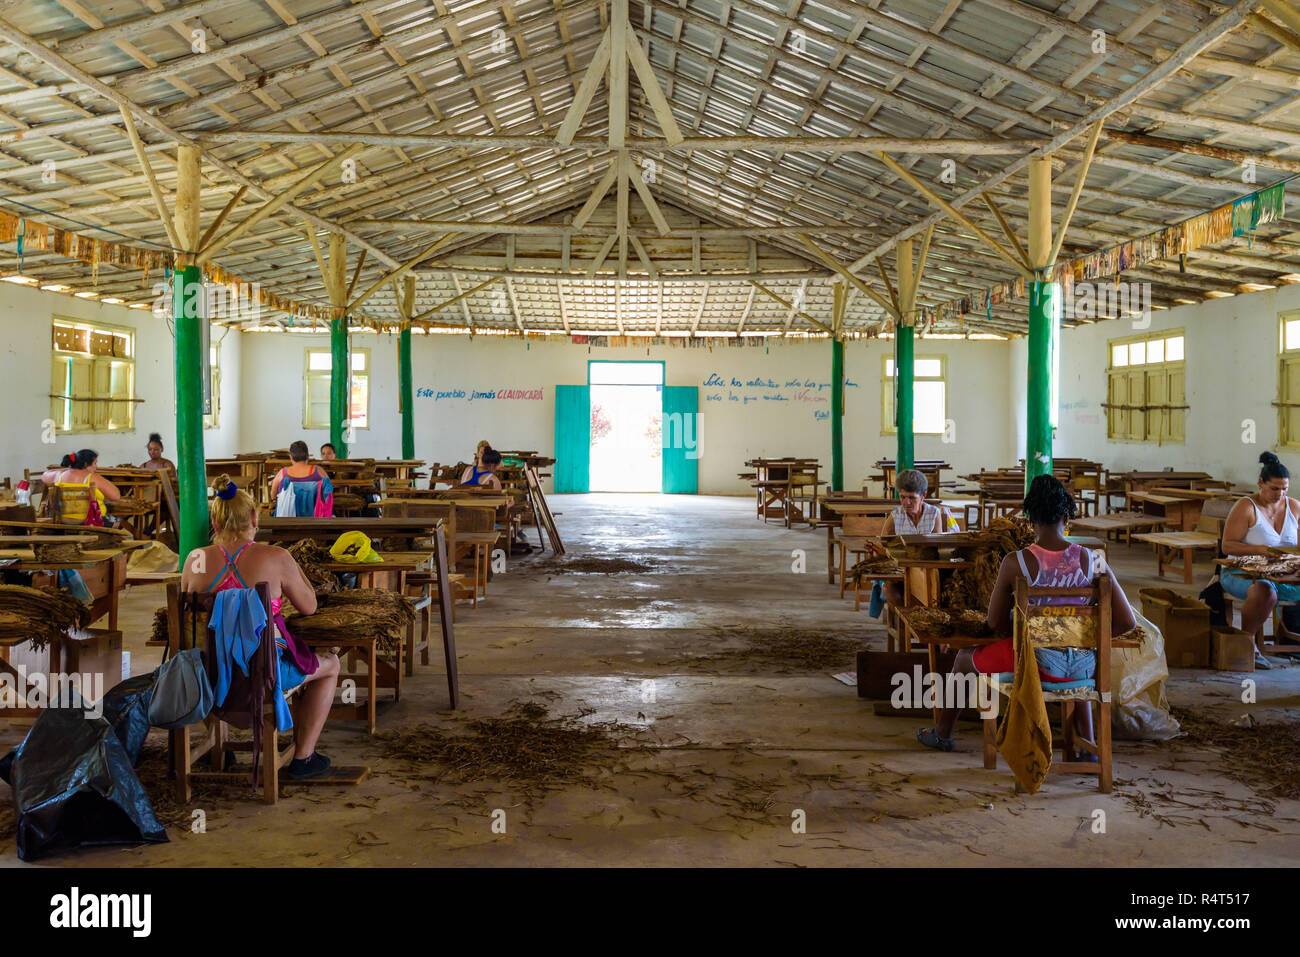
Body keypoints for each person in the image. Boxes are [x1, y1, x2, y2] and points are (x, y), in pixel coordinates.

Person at [916, 474, 1137, 754]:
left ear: (1031, 518)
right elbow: (1127, 621)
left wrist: (1021, 636)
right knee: (1072, 647)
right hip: (1084, 668)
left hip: (1036, 665)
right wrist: (1087, 641)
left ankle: (942, 733)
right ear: (1066, 517)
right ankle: (1089, 747)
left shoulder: (1015, 562)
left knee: (962, 659)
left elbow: (994, 622)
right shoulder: (1093, 560)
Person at [181, 476, 339, 780]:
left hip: (205, 673)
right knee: (330, 664)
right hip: (263, 673)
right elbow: (309, 607)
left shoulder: (194, 559)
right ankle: (303, 757)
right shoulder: (276, 556)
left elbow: (188, 606)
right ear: (255, 518)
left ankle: (218, 747)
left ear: (214, 522)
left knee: (215, 653)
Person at [1219, 452, 1300, 669]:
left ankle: (1292, 635)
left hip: (1283, 574)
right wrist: (1261, 550)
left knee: (1276, 586)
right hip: (1240, 573)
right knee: (1265, 591)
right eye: (1274, 488)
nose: (1280, 494)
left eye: (1284, 489)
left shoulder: (1294, 507)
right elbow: (1227, 546)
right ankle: (1249, 644)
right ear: (1260, 483)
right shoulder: (1246, 507)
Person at [874, 469, 959, 611]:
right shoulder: (895, 517)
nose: (906, 502)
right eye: (902, 497)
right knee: (889, 589)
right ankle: (907, 623)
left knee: (942, 588)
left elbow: (938, 548)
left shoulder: (934, 514)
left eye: (912, 497)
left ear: (923, 496)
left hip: (926, 570)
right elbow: (882, 547)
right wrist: (876, 552)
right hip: (901, 573)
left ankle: (924, 618)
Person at [41, 449, 121, 525]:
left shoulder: (59, 475)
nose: (97, 467)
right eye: (95, 463)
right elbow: (116, 496)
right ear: (86, 464)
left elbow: (44, 475)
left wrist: (67, 469)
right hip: (90, 521)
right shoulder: (93, 478)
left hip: (62, 520)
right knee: (117, 520)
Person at [271, 441, 334, 516]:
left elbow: (273, 496)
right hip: (314, 519)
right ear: (308, 456)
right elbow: (329, 493)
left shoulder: (282, 473)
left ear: (291, 457)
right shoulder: (319, 471)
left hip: (286, 519)